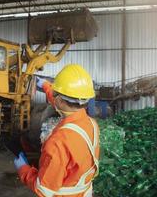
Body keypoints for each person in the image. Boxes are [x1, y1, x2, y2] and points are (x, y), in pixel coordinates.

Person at [14, 64, 100, 197]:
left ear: (59, 100)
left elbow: (43, 190)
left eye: (55, 95)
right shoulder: (91, 124)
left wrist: (24, 170)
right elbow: (62, 101)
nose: (53, 97)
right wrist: (46, 86)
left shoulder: (58, 142)